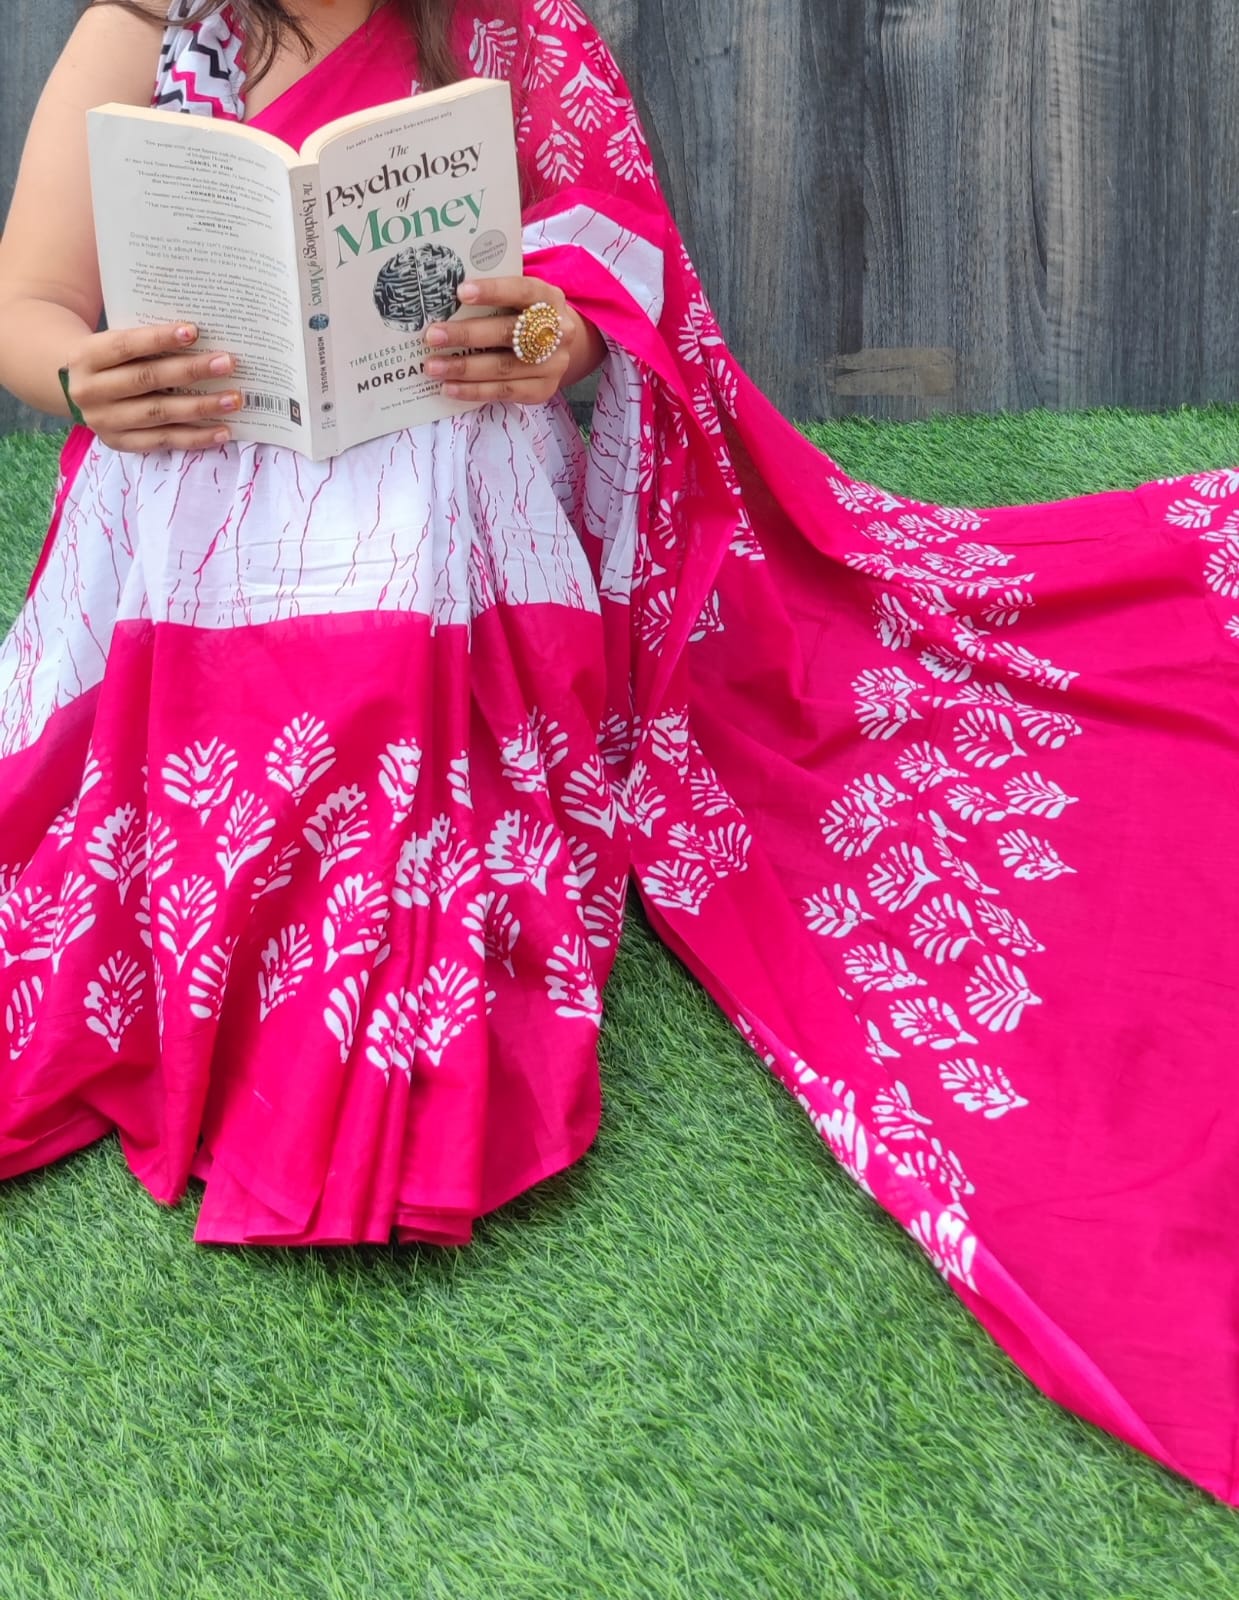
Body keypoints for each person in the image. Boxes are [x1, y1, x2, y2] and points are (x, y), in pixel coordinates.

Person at [1, 0, 1238, 1505]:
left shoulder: (504, 31)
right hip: (189, 488)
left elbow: (613, 265)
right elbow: (29, 301)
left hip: (445, 480)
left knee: (390, 689)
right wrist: (85, 380)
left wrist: (541, 333)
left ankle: (365, 983)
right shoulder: (142, 30)